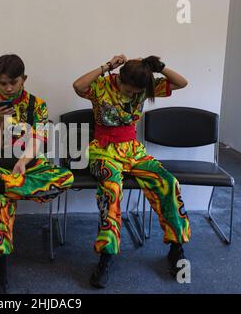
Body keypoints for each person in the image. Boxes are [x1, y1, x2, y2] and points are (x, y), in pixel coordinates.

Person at [73, 54, 190, 288]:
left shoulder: (144, 87)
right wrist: (106, 66)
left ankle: (176, 248)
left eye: (137, 92)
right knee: (111, 190)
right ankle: (106, 256)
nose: (133, 95)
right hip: (103, 152)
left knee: (169, 182)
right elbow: (78, 85)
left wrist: (160, 67)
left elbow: (182, 83)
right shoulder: (102, 86)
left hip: (133, 152)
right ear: (120, 78)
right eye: (129, 90)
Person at [0, 54, 74, 294]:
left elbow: (39, 138)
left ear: (24, 79)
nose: (8, 88)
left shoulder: (37, 104)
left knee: (65, 177)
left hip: (29, 163)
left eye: (14, 82)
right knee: (0, 207)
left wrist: (23, 161)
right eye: (2, 83)